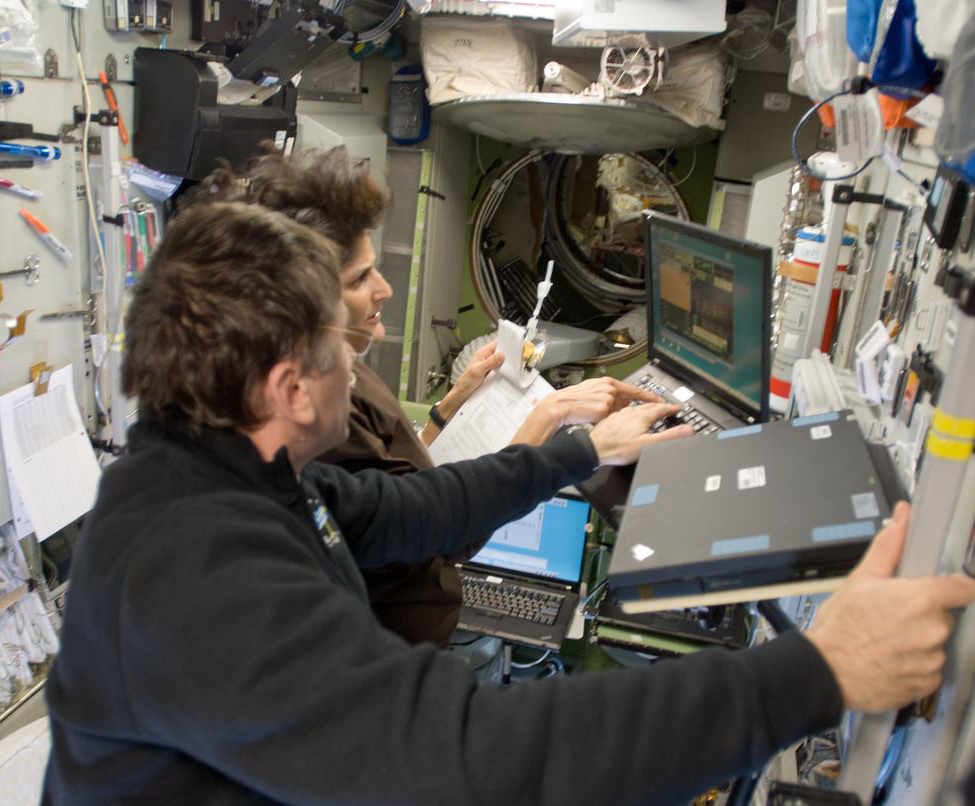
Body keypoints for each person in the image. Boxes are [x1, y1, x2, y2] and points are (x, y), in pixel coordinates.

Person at [39, 196, 975, 806]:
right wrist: (818, 673)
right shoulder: (190, 575)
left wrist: (580, 451)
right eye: (340, 341)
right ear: (289, 388)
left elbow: (416, 509)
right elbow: (486, 768)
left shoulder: (236, 475)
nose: (358, 356)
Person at [226, 147, 669, 646]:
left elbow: (401, 479)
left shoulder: (345, 371)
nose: (385, 289)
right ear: (298, 306)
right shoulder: (310, 420)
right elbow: (427, 520)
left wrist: (451, 403)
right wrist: (578, 440)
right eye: (357, 279)